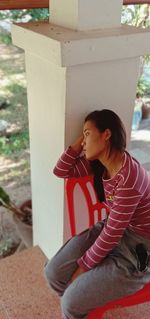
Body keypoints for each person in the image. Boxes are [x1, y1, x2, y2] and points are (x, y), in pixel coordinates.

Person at [44, 109, 150, 319]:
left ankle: (75, 305)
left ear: (106, 134)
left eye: (87, 134)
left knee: (71, 302)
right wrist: (79, 143)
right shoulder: (100, 165)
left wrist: (81, 270)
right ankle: (79, 303)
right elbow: (60, 171)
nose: (83, 142)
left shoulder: (130, 178)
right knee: (53, 274)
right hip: (112, 229)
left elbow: (112, 234)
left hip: (139, 247)